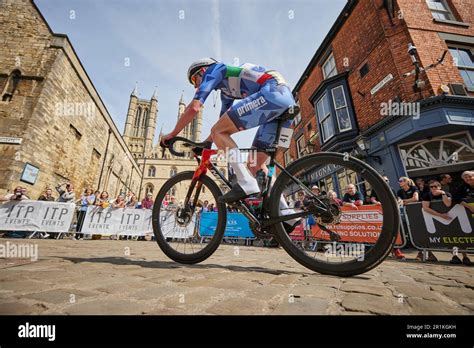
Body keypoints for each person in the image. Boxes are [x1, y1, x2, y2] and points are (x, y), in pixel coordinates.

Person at [160, 58, 300, 232]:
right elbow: (222, 122)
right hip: (284, 101)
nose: (196, 87)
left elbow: (195, 108)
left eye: (194, 81)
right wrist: (207, 143)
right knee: (255, 164)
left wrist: (172, 134)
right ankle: (287, 213)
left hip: (272, 93)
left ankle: (245, 182)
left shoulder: (215, 69)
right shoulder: (226, 92)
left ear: (201, 71)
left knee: (220, 132)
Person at [370, 176, 406, 260]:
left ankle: (396, 250)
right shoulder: (376, 188)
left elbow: (396, 199)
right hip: (380, 212)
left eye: (386, 180)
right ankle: (382, 250)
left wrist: (399, 201)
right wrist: (376, 202)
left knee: (394, 230)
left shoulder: (391, 189)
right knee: (382, 231)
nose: (385, 181)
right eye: (383, 180)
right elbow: (372, 198)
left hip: (391, 212)